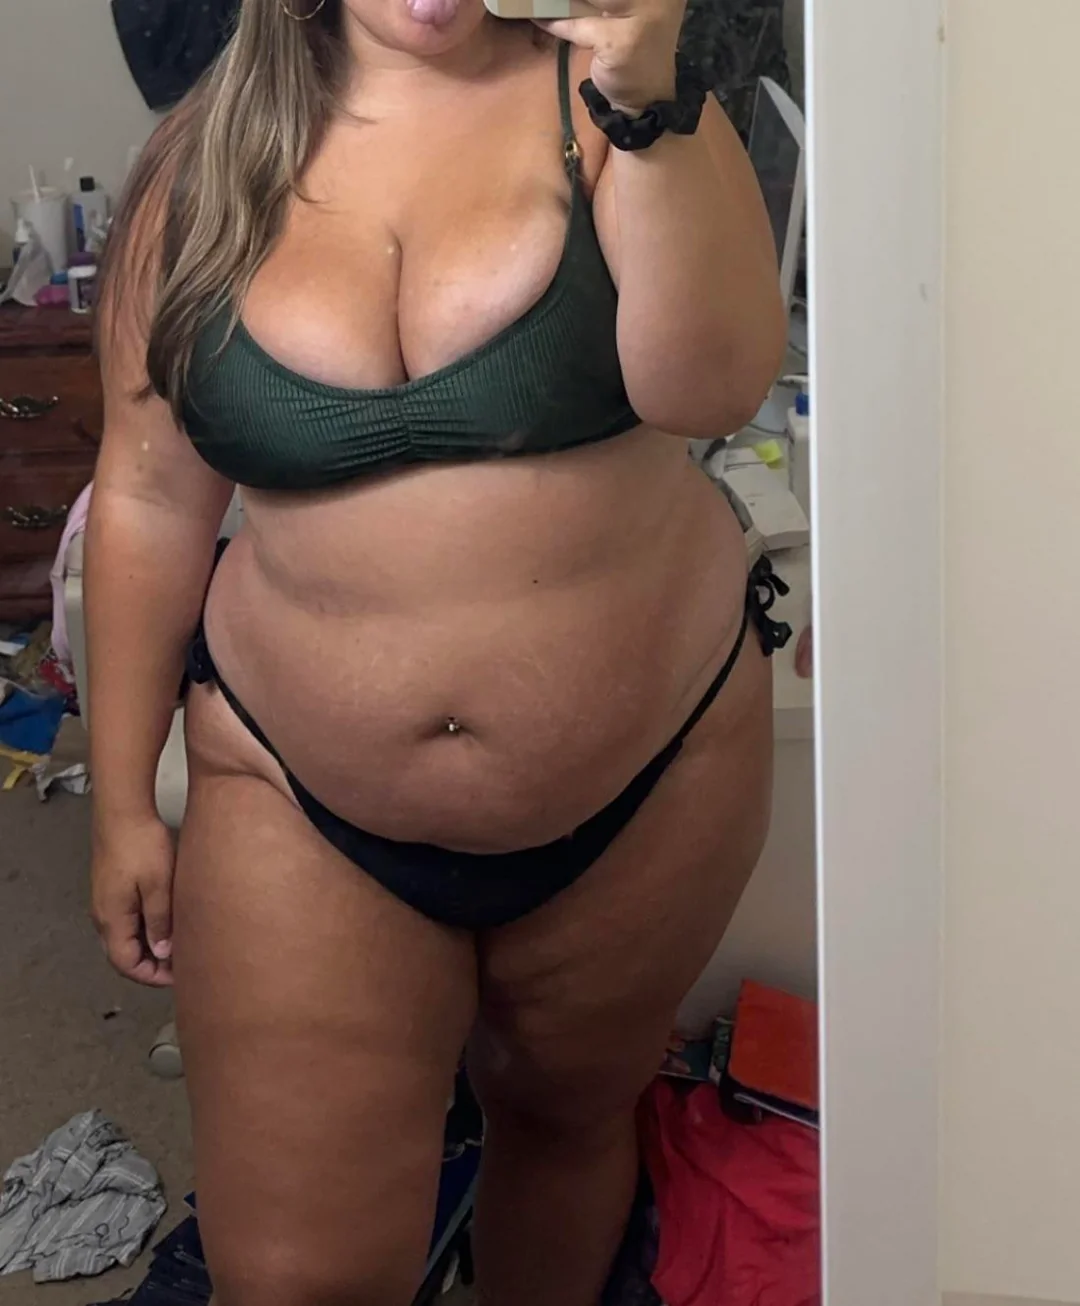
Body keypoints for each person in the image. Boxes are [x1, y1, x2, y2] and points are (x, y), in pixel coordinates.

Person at [86, 0, 786, 1299]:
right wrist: (121, 799)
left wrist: (647, 101)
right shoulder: (197, 166)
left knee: (566, 1129)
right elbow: (144, 492)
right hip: (293, 786)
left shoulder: (620, 109)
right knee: (293, 1274)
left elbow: (710, 388)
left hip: (648, 779)